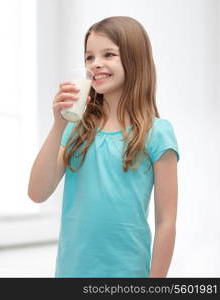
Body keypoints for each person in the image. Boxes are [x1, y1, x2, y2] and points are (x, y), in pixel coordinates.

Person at [28, 16, 180, 278]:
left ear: (135, 59)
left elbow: (166, 222)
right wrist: (58, 125)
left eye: (108, 54)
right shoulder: (75, 130)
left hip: (127, 274)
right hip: (71, 272)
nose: (95, 64)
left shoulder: (157, 133)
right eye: (89, 57)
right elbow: (37, 193)